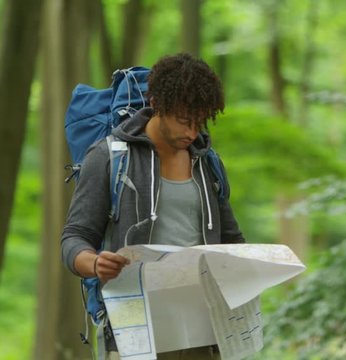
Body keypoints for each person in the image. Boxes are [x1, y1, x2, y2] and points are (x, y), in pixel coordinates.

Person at [61, 53, 245, 360]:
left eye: (200, 122)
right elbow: (73, 238)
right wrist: (94, 263)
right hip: (134, 329)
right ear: (157, 104)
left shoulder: (206, 163)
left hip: (202, 329)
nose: (192, 132)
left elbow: (232, 240)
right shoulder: (109, 157)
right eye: (185, 121)